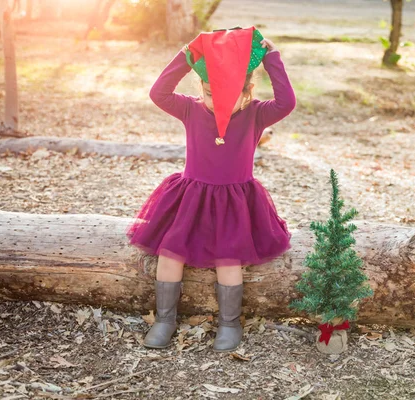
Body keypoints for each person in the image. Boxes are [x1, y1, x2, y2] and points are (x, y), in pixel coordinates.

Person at [126, 27, 296, 353]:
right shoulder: (191, 109)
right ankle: (165, 319)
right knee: (170, 253)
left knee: (228, 260)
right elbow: (158, 93)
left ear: (247, 90)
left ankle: (229, 324)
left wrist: (272, 57)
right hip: (192, 198)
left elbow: (287, 102)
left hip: (235, 203)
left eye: (227, 95)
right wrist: (186, 56)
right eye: (209, 92)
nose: (216, 101)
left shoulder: (257, 114)